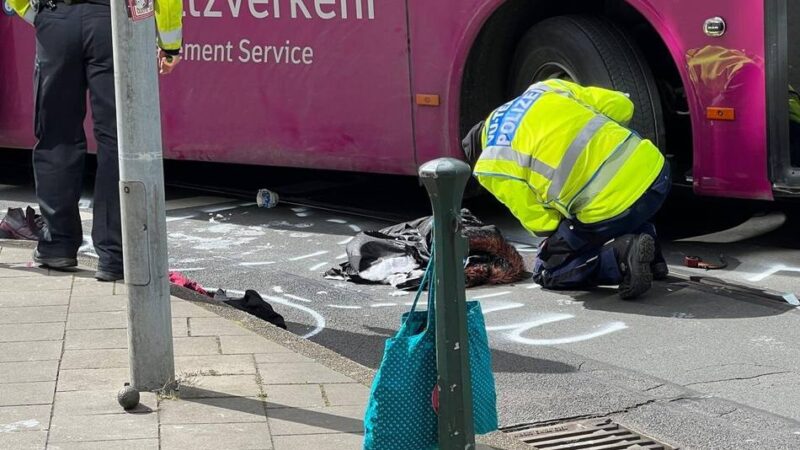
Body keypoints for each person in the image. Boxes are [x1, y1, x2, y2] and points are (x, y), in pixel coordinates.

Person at [9, 0, 183, 281]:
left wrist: (39, 16)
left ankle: (58, 245)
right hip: (113, 21)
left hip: (56, 18)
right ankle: (115, 254)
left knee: (56, 135)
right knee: (118, 141)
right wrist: (170, 42)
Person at [462, 79, 670, 300]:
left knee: (547, 271)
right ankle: (652, 255)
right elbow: (622, 106)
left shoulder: (491, 163)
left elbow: (542, 224)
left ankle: (621, 258)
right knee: (613, 200)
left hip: (612, 207)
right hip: (656, 173)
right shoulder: (544, 89)